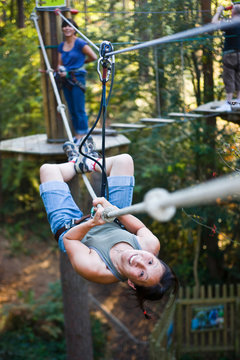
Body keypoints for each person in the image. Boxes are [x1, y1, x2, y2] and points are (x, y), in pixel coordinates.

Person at [39, 138, 178, 317]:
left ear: (132, 283)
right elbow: (139, 228)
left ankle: (75, 164)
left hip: (70, 228)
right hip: (113, 219)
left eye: (141, 273)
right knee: (124, 161)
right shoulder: (151, 246)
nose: (140, 261)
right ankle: (88, 161)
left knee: (48, 170)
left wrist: (92, 223)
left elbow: (69, 240)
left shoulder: (98, 271)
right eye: (151, 262)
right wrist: (114, 210)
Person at [57, 19, 97, 144]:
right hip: (66, 79)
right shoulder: (61, 46)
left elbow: (94, 57)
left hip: (77, 78)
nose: (67, 28)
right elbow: (59, 64)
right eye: (65, 26)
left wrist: (81, 64)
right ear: (62, 29)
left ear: (75, 29)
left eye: (70, 26)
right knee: (72, 109)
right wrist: (60, 70)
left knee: (79, 109)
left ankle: (83, 136)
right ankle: (77, 135)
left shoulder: (80, 43)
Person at [212, 4, 240, 112]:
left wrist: (219, 11)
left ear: (233, 12)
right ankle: (237, 102)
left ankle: (228, 103)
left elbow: (214, 23)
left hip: (230, 55)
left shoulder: (230, 24)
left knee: (229, 78)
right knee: (239, 78)